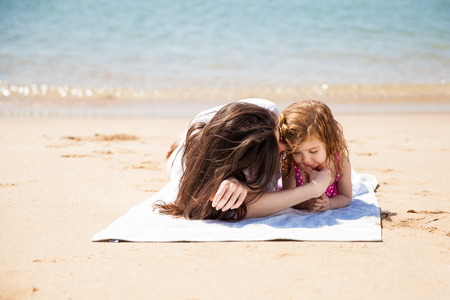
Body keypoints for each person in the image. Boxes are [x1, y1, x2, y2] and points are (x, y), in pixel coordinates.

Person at [153, 98, 333, 221]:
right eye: (278, 142)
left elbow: (216, 118)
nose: (287, 146)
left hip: (207, 131)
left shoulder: (268, 113)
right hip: (182, 159)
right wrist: (314, 189)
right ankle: (184, 140)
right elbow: (249, 208)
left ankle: (187, 135)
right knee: (186, 146)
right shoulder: (202, 185)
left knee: (199, 127)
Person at [279, 100, 352, 212]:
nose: (306, 159)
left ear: (329, 142)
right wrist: (306, 204)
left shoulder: (340, 161)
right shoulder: (291, 166)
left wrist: (330, 204)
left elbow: (346, 197)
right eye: (296, 152)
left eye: (313, 151)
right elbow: (288, 199)